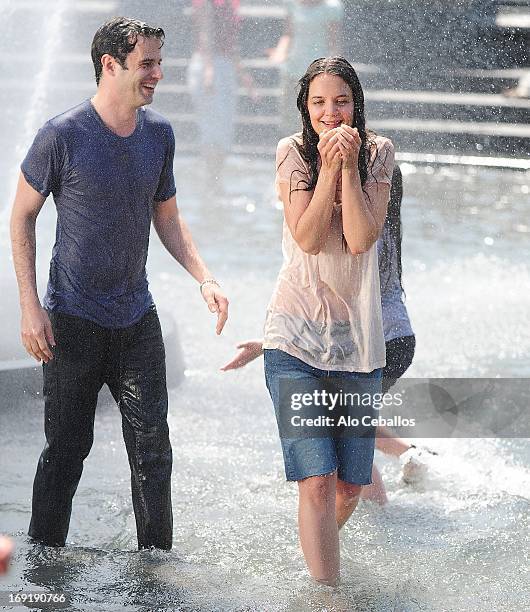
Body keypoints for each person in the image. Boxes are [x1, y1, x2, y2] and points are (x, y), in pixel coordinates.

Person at [9, 17, 229, 550]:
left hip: (136, 322)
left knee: (154, 453)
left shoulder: (159, 135)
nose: (157, 74)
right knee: (64, 452)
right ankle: (43, 569)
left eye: (159, 63)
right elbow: (20, 217)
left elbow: (169, 220)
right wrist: (30, 308)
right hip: (72, 324)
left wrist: (205, 278)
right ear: (111, 65)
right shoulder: (61, 135)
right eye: (146, 64)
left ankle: (156, 571)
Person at [222, 166, 436, 506]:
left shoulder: (364, 234)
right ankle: (407, 458)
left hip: (371, 343)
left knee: (343, 434)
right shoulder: (382, 226)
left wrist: (274, 344)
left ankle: (379, 509)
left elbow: (339, 307)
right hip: (391, 341)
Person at [261, 56, 393, 585]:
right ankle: (326, 594)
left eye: (341, 101)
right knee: (316, 481)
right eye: (319, 102)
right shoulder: (291, 153)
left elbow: (361, 240)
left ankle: (311, 553)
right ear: (305, 108)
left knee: (347, 488)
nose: (331, 112)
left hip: (358, 344)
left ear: (356, 104)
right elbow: (310, 238)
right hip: (292, 337)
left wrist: (347, 169)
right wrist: (327, 168)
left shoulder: (380, 153)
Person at [187, 0, 255, 192]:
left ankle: (215, 179)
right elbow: (205, 34)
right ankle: (211, 179)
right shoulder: (208, 4)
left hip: (223, 66)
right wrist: (209, 71)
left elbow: (229, 42)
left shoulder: (227, 5)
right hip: (210, 67)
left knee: (223, 127)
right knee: (212, 128)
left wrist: (242, 74)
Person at [268, 0, 343, 134]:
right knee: (289, 115)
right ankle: (293, 150)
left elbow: (334, 42)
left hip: (318, 72)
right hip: (293, 67)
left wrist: (336, 70)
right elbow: (288, 34)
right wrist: (280, 51)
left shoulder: (331, 8)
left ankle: (313, 150)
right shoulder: (291, 4)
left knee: (314, 115)